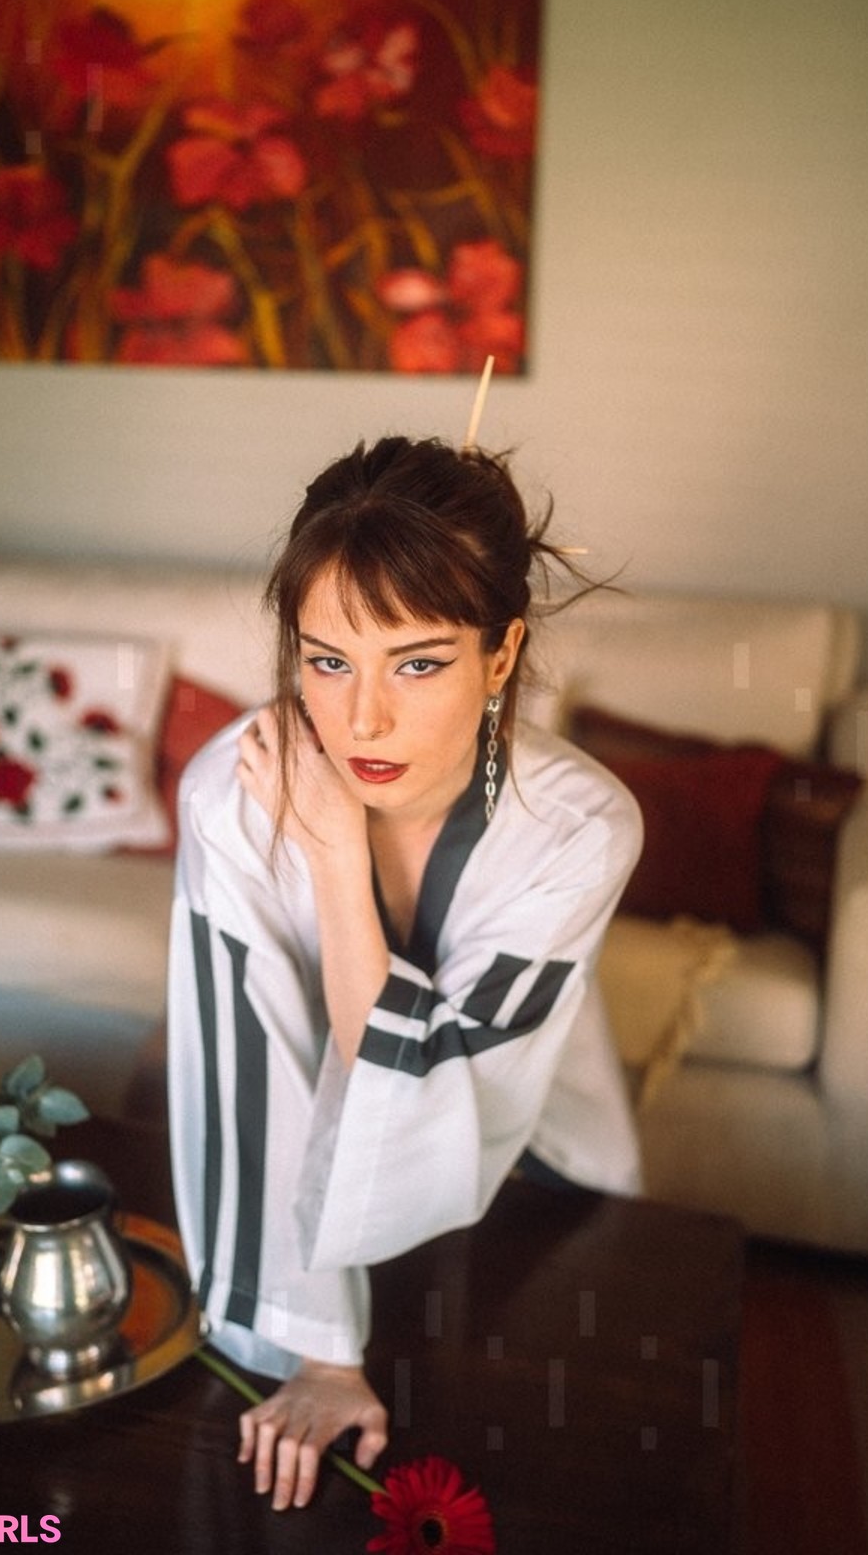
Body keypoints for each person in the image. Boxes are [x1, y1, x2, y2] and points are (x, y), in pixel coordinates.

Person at [167, 435, 643, 1512]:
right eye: (328, 660)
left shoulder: (578, 828)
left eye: (417, 662)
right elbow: (251, 1069)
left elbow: (448, 1090)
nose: (363, 719)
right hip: (309, 1183)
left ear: (502, 653)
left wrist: (338, 857)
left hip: (534, 1167)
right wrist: (323, 1355)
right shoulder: (232, 796)